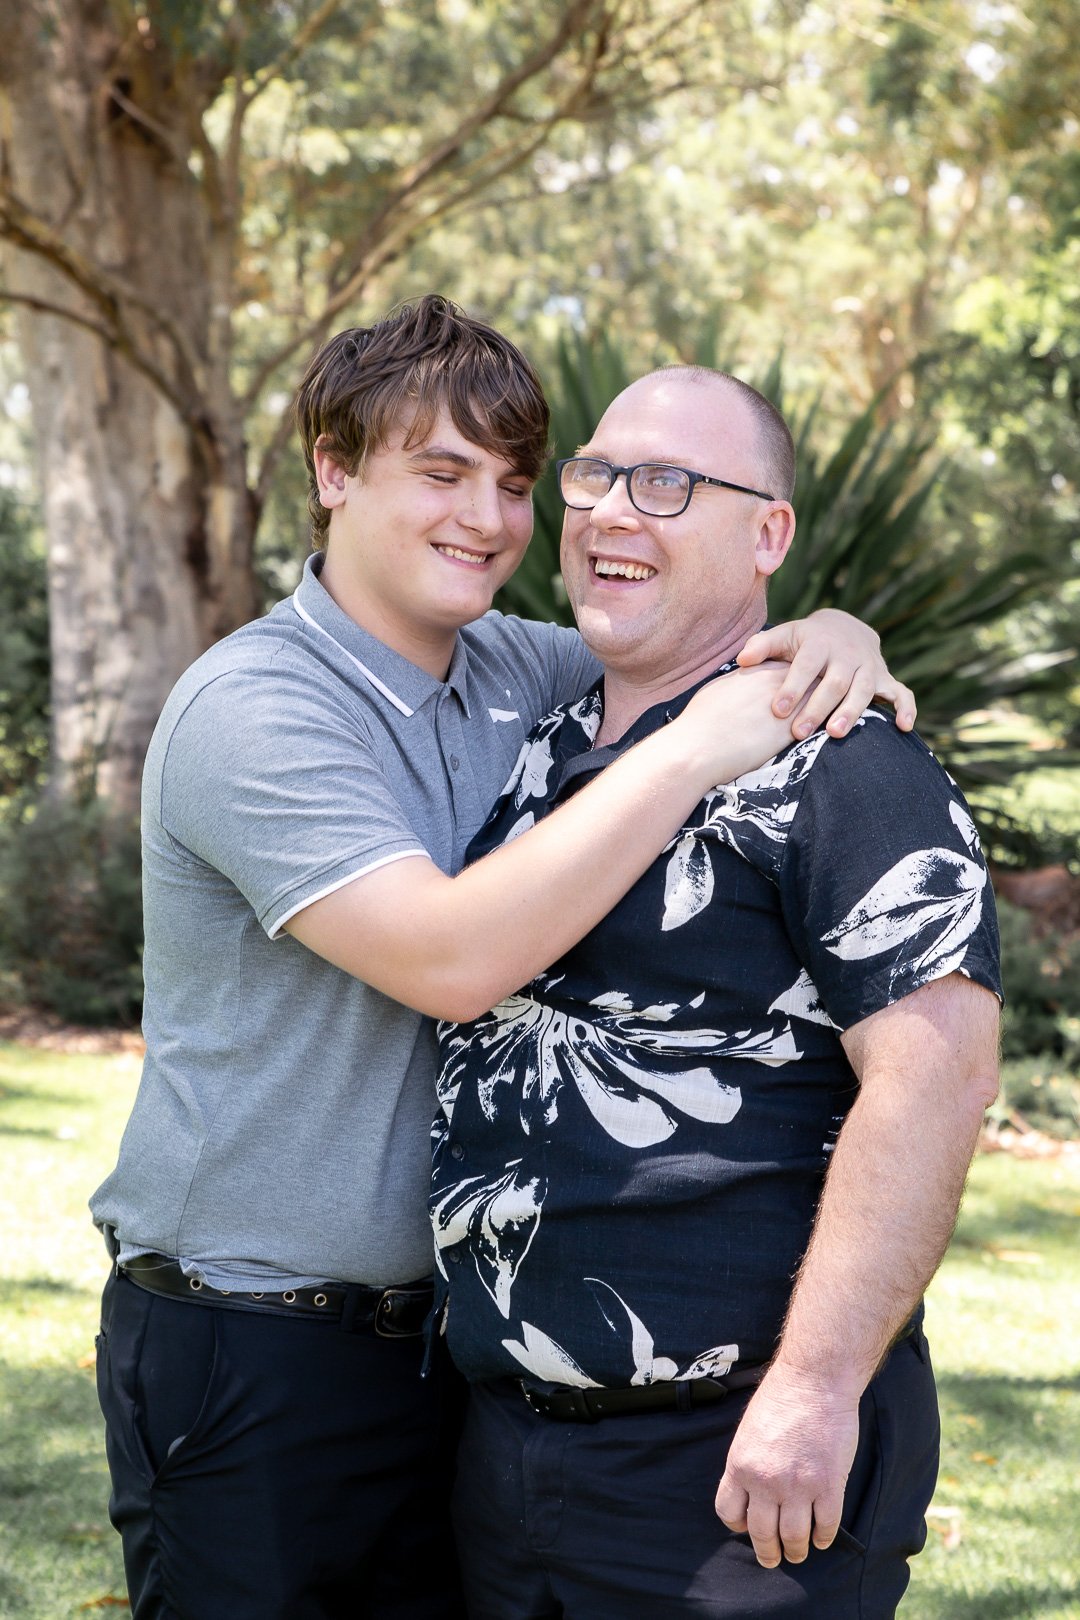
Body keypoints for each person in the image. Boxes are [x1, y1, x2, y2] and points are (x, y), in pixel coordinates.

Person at [90, 296, 913, 1620]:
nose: (486, 515)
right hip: (255, 1351)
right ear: (333, 470)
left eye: (515, 482)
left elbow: (696, 638)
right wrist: (702, 745)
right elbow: (450, 957)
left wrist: (831, 637)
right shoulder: (253, 710)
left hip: (459, 1363)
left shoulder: (527, 675)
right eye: (441, 471)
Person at [430, 363, 1002, 1619]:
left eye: (671, 483)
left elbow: (939, 1073)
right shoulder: (531, 741)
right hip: (499, 1456)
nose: (613, 511)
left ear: (768, 534)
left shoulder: (848, 765)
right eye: (595, 475)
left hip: (733, 1473)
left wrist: (812, 1390)